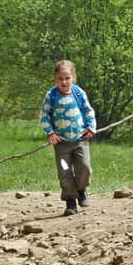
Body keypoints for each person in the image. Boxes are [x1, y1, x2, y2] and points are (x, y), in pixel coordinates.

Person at [40, 60, 97, 216]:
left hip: (80, 139)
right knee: (65, 172)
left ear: (73, 77)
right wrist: (50, 132)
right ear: (55, 78)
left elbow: (88, 111)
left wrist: (91, 128)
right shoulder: (51, 96)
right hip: (62, 144)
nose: (64, 82)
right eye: (60, 79)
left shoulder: (78, 93)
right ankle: (70, 202)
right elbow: (44, 117)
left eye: (67, 78)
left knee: (84, 167)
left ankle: (81, 190)